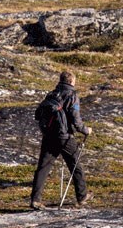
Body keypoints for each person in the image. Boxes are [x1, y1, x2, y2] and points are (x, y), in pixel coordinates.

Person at [30, 71, 90, 209]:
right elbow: (76, 120)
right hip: (65, 137)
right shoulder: (72, 95)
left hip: (49, 136)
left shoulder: (51, 94)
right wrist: (86, 130)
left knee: (43, 168)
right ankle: (82, 196)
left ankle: (35, 200)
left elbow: (38, 114)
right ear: (71, 82)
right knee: (75, 165)